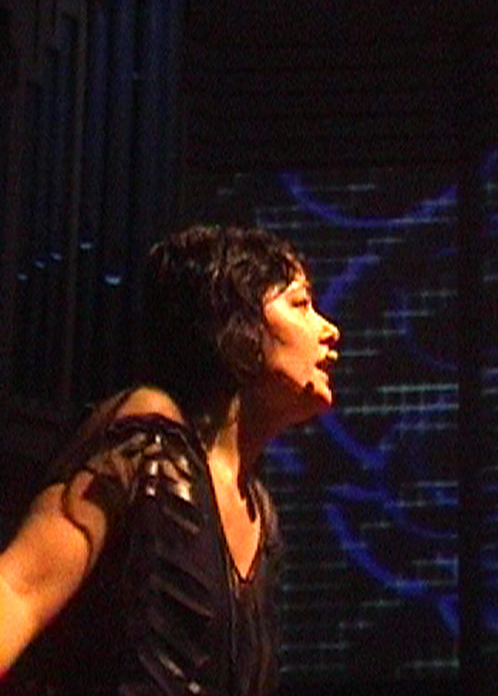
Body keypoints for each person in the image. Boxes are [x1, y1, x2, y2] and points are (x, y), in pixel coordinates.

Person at [0, 225, 340, 695]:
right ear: (236, 325)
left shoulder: (259, 509)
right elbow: (19, 590)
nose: (329, 330)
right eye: (300, 304)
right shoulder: (149, 443)